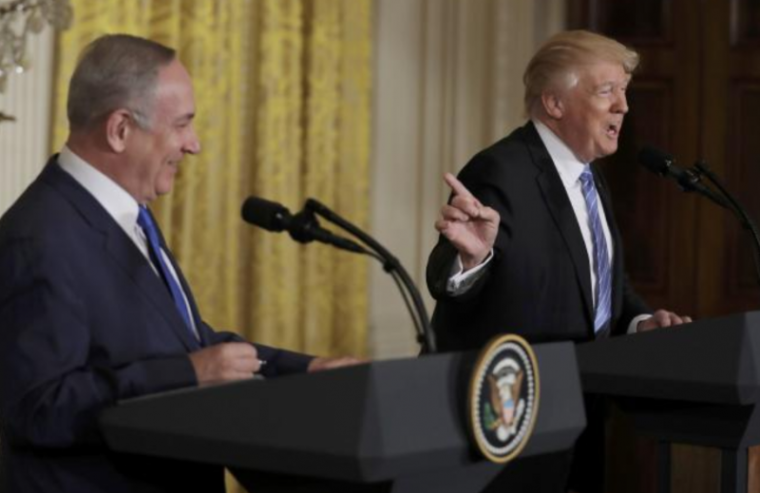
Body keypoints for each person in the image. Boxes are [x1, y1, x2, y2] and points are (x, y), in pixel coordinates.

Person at [0, 34, 359, 493]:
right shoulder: (38, 236)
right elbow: (39, 408)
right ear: (120, 129)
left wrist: (306, 372)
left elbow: (185, 342)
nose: (194, 144)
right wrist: (190, 374)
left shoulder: (127, 213)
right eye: (182, 125)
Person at [426, 30, 691, 493]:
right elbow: (447, 280)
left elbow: (602, 286)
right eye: (606, 91)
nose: (623, 107)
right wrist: (474, 260)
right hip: (507, 430)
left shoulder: (588, 179)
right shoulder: (500, 170)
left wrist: (641, 323)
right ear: (554, 103)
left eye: (624, 92)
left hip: (581, 417)